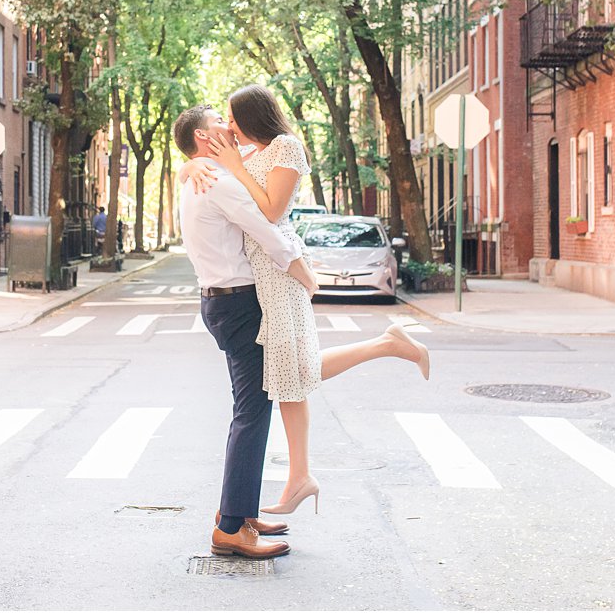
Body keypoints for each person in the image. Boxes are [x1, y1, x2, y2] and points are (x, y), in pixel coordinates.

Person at [181, 84, 430, 517]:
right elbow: (211, 176)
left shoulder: (285, 147)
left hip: (279, 270)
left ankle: (300, 474)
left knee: (290, 372)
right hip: (261, 273)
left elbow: (271, 213)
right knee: (291, 372)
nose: (231, 126)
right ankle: (301, 474)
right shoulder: (244, 156)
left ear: (254, 114)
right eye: (224, 121)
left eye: (234, 118)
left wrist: (231, 166)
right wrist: (191, 168)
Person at [172, 103, 320, 561]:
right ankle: (232, 528)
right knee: (252, 414)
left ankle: (239, 511)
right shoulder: (214, 180)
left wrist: (191, 164)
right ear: (202, 138)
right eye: (219, 122)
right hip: (236, 303)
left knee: (251, 409)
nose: (229, 126)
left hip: (223, 301)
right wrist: (306, 276)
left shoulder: (201, 175)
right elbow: (266, 228)